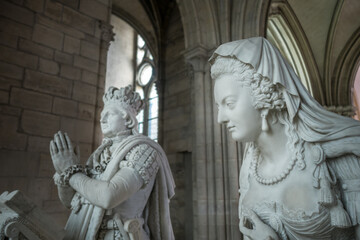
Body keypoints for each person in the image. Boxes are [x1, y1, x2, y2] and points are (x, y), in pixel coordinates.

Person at [209, 37, 360, 240]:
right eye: (219, 107)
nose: (220, 118)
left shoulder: (337, 156)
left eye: (229, 103)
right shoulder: (249, 168)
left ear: (261, 96)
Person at [49, 85, 175, 240]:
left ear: (128, 119)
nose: (102, 119)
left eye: (109, 114)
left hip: (120, 235)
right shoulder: (99, 154)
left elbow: (108, 196)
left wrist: (71, 171)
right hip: (88, 233)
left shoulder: (144, 151)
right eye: (102, 115)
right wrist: (63, 173)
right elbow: (71, 202)